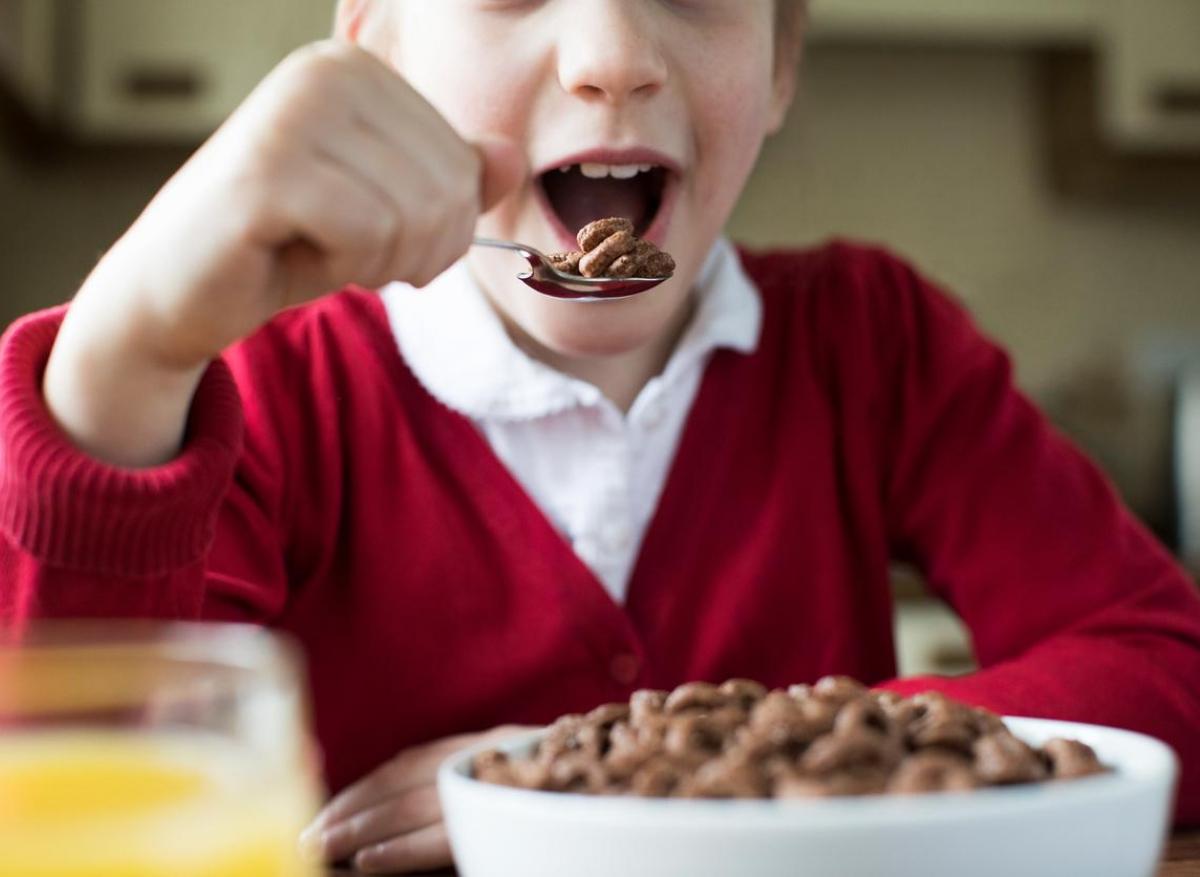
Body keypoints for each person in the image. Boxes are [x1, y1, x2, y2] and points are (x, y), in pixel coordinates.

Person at [1, 0, 1198, 872]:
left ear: (780, 60)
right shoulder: (271, 391)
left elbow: (1166, 661)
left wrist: (645, 772)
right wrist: (132, 348)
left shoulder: (874, 346)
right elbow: (79, 771)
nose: (615, 55)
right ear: (375, 48)